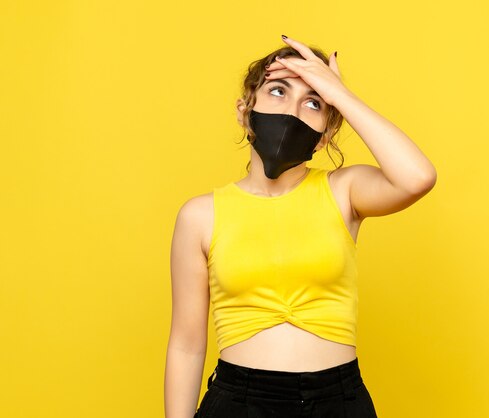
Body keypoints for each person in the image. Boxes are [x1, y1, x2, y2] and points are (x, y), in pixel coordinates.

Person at [164, 35, 437, 418]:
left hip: (338, 402)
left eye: (313, 102)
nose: (293, 112)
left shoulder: (344, 191)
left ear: (325, 133)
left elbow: (417, 178)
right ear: (245, 110)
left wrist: (340, 94)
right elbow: (187, 344)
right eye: (278, 91)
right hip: (239, 403)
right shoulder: (200, 215)